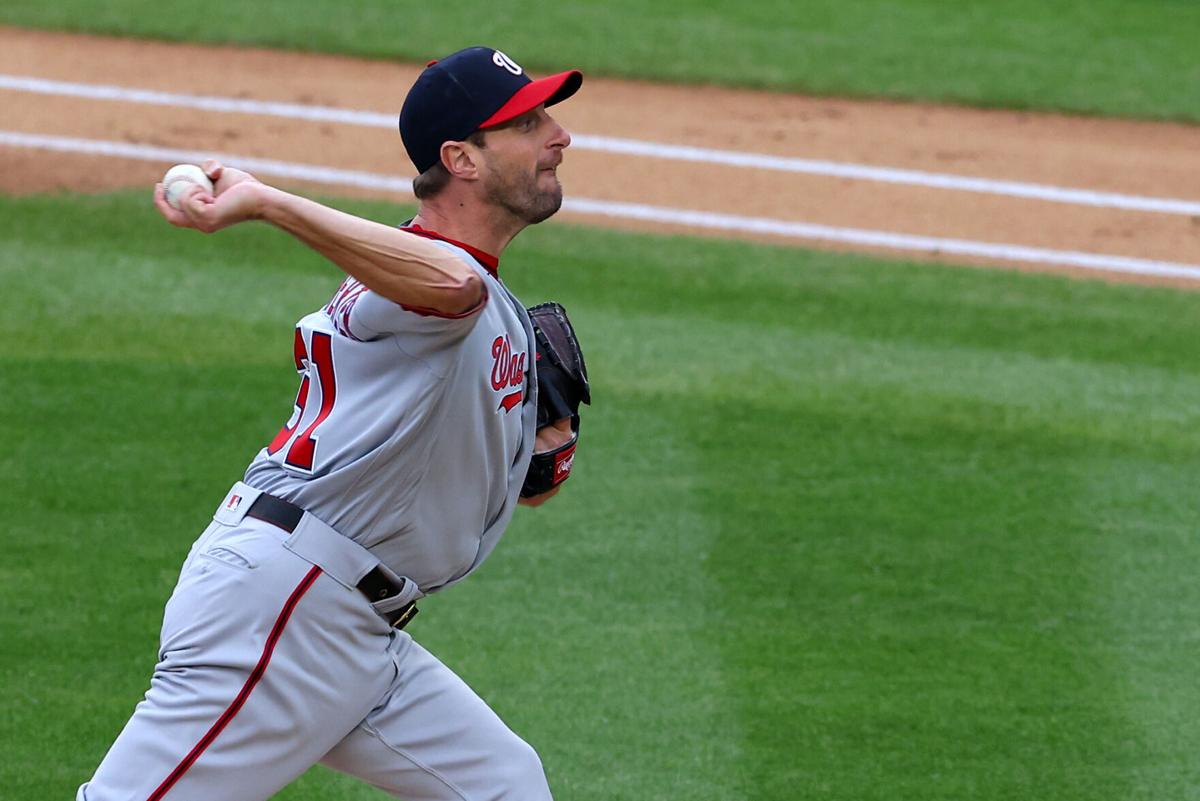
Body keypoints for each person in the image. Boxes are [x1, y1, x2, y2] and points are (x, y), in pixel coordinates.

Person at [77, 46, 583, 801]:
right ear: (461, 159)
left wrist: (538, 454)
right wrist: (267, 202)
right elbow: (449, 289)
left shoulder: (485, 302)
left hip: (353, 625)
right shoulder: (428, 277)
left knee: (507, 785)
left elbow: (517, 481)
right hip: (285, 608)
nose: (559, 136)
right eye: (527, 121)